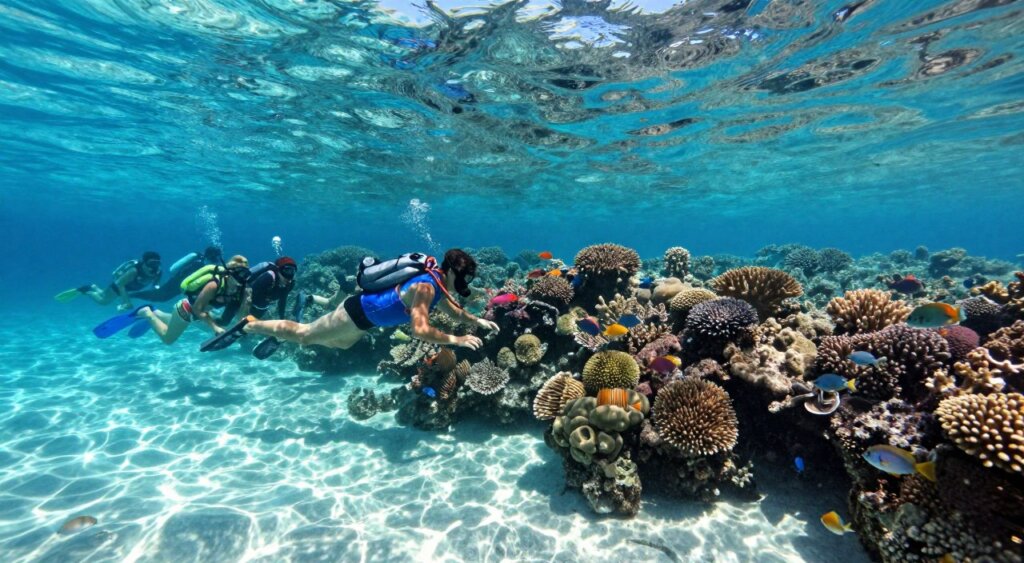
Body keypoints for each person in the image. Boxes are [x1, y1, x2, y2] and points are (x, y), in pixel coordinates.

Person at [205, 249, 498, 355]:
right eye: (467, 277)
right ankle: (251, 325)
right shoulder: (425, 287)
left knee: (342, 344)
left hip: (363, 320)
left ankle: (281, 336)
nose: (467, 284)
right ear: (454, 273)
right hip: (354, 313)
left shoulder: (437, 285)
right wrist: (457, 340)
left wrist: (477, 321)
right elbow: (420, 330)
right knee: (306, 336)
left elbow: (453, 310)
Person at [137, 255, 251, 344]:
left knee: (173, 321)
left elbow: (240, 313)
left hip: (196, 316)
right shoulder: (214, 284)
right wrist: (215, 327)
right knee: (168, 339)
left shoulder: (239, 289)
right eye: (239, 274)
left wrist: (247, 302)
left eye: (245, 275)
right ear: (229, 273)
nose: (242, 279)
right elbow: (197, 309)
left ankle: (156, 312)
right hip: (185, 311)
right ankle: (148, 314)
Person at [61, 252, 162, 310]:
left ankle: (93, 287)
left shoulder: (158, 272)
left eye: (156, 263)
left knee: (104, 294)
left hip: (127, 288)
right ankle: (87, 291)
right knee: (103, 301)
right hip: (118, 286)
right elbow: (120, 285)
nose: (153, 267)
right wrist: (126, 302)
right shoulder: (133, 271)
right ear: (143, 263)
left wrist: (157, 288)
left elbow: (156, 283)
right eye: (151, 263)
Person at [130, 246, 222, 302]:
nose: (217, 259)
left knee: (163, 297)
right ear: (211, 254)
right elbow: (174, 268)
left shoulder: (208, 264)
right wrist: (175, 276)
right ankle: (133, 295)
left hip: (186, 284)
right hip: (178, 281)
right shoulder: (196, 256)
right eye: (216, 256)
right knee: (160, 296)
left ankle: (133, 295)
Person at [220, 256, 297, 322]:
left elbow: (282, 301)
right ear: (278, 270)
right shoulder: (268, 277)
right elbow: (249, 293)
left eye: (292, 271)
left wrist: (282, 319)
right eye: (286, 270)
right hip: (241, 299)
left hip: (261, 307)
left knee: (247, 328)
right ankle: (210, 317)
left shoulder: (289, 285)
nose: (289, 275)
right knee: (224, 322)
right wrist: (243, 314)